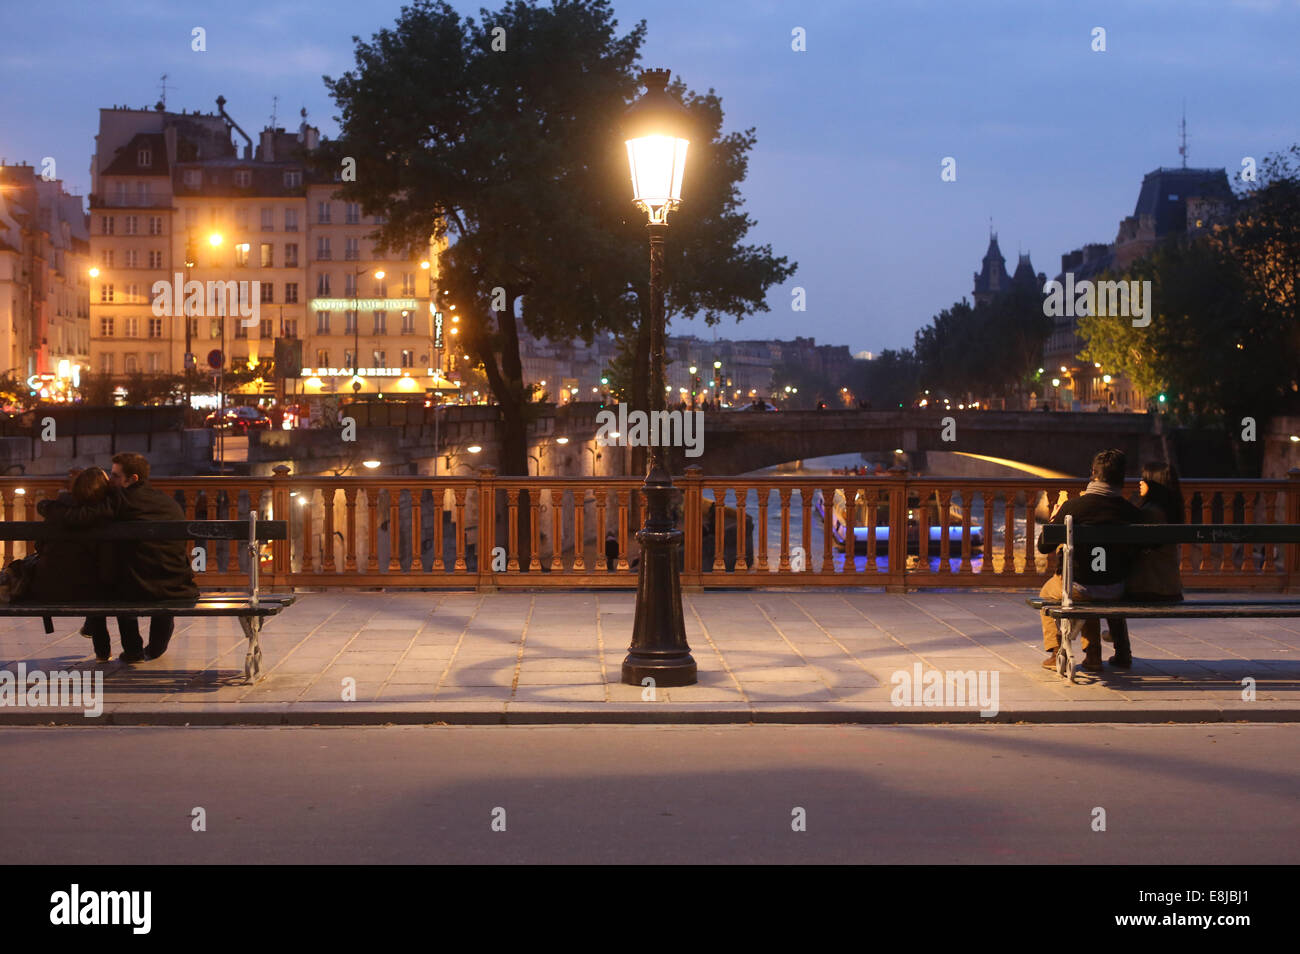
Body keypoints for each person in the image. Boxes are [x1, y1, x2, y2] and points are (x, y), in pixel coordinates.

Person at [1036, 448, 1143, 673]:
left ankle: (1059, 652)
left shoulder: (1074, 508)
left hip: (1080, 588)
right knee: (1102, 583)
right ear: (1121, 478)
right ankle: (1122, 652)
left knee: (1050, 593)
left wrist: (1055, 519)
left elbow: (1043, 546)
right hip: (1117, 588)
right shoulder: (1131, 512)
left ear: (1093, 473)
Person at [108, 452, 199, 662]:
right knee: (150, 574)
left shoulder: (120, 502)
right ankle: (156, 647)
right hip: (176, 586)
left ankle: (133, 650)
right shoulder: (168, 503)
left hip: (135, 587)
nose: (110, 480)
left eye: (114, 476)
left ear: (132, 479)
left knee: (121, 583)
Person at [28, 467, 116, 662]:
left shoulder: (56, 510)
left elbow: (39, 545)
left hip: (48, 588)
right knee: (96, 586)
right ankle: (103, 651)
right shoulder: (104, 517)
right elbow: (106, 568)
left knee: (86, 579)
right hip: (89, 591)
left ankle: (98, 641)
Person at [1104, 462, 1185, 669]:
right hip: (1172, 588)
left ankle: (1121, 651)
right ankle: (1116, 641)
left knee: (1107, 591)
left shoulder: (1151, 512)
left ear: (1155, 484)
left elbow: (1132, 549)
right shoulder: (1172, 510)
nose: (1139, 482)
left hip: (1152, 588)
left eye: (1144, 479)